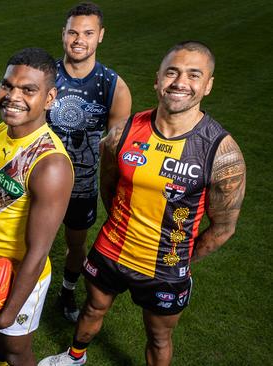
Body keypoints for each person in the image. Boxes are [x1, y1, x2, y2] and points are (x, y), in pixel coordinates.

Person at [38, 41, 246, 366]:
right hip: (110, 250)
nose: (180, 82)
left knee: (159, 337)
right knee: (92, 308)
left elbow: (224, 227)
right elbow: (107, 185)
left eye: (194, 75)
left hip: (165, 270)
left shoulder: (221, 151)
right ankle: (74, 357)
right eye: (172, 72)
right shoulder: (123, 131)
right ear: (157, 79)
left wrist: (180, 260)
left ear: (208, 85)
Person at [0, 48, 74, 366]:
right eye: (8, 85)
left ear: (49, 98)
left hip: (21, 275)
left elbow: (38, 252)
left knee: (16, 350)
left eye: (28, 90)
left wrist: (9, 313)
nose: (13, 96)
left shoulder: (50, 165)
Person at [46, 2, 132, 322]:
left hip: (82, 184)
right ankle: (23, 289)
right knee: (28, 238)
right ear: (63, 35)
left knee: (75, 244)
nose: (79, 39)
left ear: (101, 36)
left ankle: (67, 290)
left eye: (88, 33)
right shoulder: (46, 76)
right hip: (40, 180)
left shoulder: (113, 86)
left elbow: (115, 151)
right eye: (73, 32)